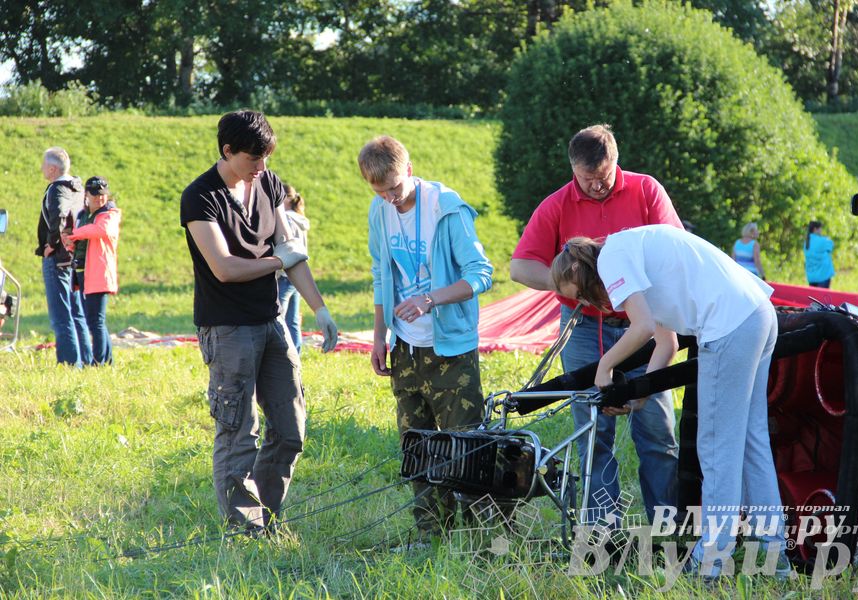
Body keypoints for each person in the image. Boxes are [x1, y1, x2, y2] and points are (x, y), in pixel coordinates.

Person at [550, 226, 788, 578]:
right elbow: (666, 343)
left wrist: (605, 366)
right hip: (757, 313)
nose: (588, 303)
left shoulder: (613, 256)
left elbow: (642, 327)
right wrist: (642, 391)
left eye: (582, 295)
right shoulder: (633, 253)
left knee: (716, 447)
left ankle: (712, 561)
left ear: (577, 271)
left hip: (727, 325)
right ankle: (775, 554)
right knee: (752, 442)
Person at [509, 124, 680, 524]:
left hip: (648, 324)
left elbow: (674, 250)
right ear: (573, 169)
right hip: (586, 327)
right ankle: (603, 527)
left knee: (657, 429)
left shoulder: (646, 190)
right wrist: (574, 286)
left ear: (615, 161)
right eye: (588, 180)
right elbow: (520, 266)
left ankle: (667, 526)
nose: (598, 187)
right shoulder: (557, 204)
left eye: (604, 178)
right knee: (593, 432)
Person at [180, 110, 339, 533]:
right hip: (227, 328)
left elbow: (291, 250)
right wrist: (277, 261)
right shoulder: (201, 197)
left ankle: (266, 518)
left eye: (267, 156)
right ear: (228, 151)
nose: (262, 167)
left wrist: (319, 309)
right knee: (238, 433)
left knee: (290, 429)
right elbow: (225, 268)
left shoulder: (267, 183)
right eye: (254, 158)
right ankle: (245, 531)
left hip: (272, 322)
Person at [359, 135, 493, 539]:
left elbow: (480, 274)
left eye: (395, 189)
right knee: (417, 448)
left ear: (410, 171)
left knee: (466, 447)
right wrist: (379, 337)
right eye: (379, 192)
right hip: (405, 348)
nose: (389, 200)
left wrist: (430, 300)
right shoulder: (379, 211)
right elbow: (382, 275)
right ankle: (431, 535)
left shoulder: (446, 208)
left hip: (450, 348)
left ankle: (480, 540)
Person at [35, 147, 86, 367]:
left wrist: (51, 244)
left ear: (53, 169)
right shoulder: (77, 187)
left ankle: (68, 363)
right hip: (73, 256)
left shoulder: (57, 190)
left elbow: (59, 216)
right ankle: (84, 358)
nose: (41, 168)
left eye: (44, 165)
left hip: (58, 257)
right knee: (76, 312)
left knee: (61, 314)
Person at [64, 176, 121, 365]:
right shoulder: (82, 215)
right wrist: (70, 242)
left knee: (96, 321)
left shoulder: (110, 213)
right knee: (94, 320)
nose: (100, 199)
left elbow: (101, 231)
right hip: (82, 272)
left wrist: (75, 234)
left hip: (98, 274)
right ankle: (107, 361)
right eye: (95, 195)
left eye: (103, 195)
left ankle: (99, 362)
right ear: (86, 195)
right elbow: (81, 240)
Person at [276, 186, 310, 351]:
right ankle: (296, 350)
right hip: (298, 273)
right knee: (293, 318)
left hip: (286, 272)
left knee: (278, 315)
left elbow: (284, 244)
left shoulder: (287, 219)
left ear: (286, 199)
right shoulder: (300, 219)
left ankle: (282, 350)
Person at [804, 221, 835, 288]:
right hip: (823, 276)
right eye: (820, 228)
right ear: (815, 229)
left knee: (813, 298)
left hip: (811, 277)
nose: (821, 230)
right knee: (822, 298)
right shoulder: (823, 241)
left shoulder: (806, 242)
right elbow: (831, 245)